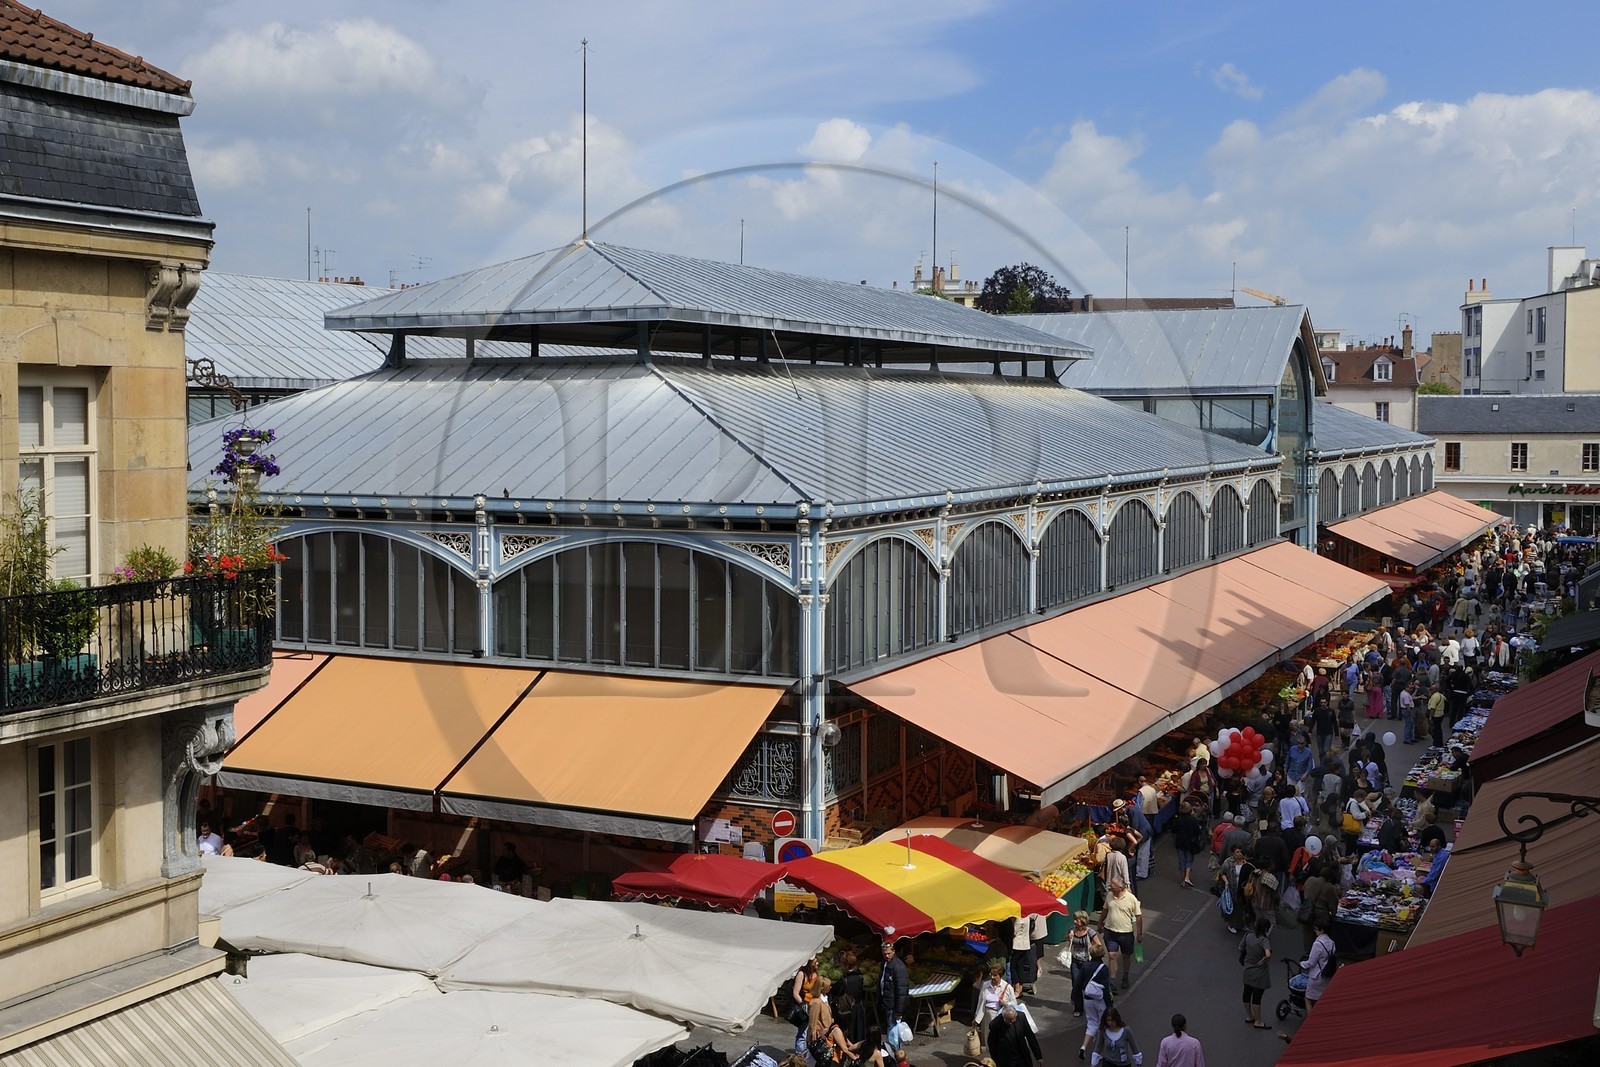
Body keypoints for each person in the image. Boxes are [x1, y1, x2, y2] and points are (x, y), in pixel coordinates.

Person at [1100, 878, 1143, 989]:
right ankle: (1113, 980)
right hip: (1110, 931)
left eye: (1113, 884)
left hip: (1126, 934)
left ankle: (1125, 976)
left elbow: (1138, 916)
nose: (1110, 886)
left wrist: (1139, 933)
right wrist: (1100, 923)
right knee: (1112, 955)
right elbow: (1105, 910)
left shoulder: (1131, 899)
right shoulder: (1110, 895)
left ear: (1121, 887)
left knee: (1126, 956)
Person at [805, 977, 860, 1064]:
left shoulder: (825, 999)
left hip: (826, 1032)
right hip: (818, 1034)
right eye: (828, 986)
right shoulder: (816, 1002)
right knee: (812, 1058)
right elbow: (813, 1021)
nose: (830, 988)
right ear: (822, 988)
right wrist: (814, 1037)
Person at [1063, 910, 1103, 1018]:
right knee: (1076, 985)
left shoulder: (1090, 932)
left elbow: (1098, 945)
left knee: (1088, 986)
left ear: (1083, 920)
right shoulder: (1072, 930)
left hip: (1087, 963)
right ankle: (1078, 1008)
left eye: (1077, 920)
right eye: (1074, 919)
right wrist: (1069, 937)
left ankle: (1092, 1007)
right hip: (1075, 961)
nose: (1075, 922)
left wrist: (1092, 949)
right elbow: (1067, 939)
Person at [1079, 942, 1114, 1060]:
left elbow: (1079, 982)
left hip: (1087, 999)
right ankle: (1099, 1052)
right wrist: (1109, 1005)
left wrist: (1076, 997)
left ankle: (1083, 1047)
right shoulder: (1103, 968)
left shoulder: (1085, 966)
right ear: (1102, 955)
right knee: (1103, 1025)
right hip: (1100, 1000)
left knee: (1091, 1023)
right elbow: (1105, 988)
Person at [972, 960, 1017, 1049]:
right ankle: (990, 1056)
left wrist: (1005, 1003)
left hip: (1000, 1016)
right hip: (987, 1015)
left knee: (999, 1040)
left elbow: (1014, 1003)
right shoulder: (985, 985)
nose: (992, 977)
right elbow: (980, 1001)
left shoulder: (1008, 987)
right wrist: (976, 1017)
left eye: (995, 975)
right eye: (991, 974)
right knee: (988, 1040)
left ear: (1000, 975)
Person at [1240, 915, 1273, 1028]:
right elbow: (1268, 954)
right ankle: (1258, 1021)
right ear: (1266, 928)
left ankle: (1249, 1016)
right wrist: (1263, 960)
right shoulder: (1264, 940)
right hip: (1260, 973)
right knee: (1257, 997)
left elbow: (1240, 948)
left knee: (1247, 992)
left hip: (1247, 970)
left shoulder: (1248, 935)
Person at [1300, 916, 1338, 1008]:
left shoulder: (1317, 944)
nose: (1315, 931)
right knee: (1320, 1000)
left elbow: (1311, 963)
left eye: (1316, 929)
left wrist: (1302, 963)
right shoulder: (1332, 943)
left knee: (1308, 998)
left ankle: (1311, 1017)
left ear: (1322, 930)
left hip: (1316, 976)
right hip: (1327, 974)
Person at [789, 955, 820, 1051]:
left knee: (812, 1033)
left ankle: (808, 1055)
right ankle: (799, 1056)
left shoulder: (816, 974)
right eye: (815, 962)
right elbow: (795, 993)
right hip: (805, 1005)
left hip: (815, 1005)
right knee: (802, 1034)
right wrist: (803, 1005)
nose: (817, 963)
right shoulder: (802, 974)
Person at [878, 939, 909, 1033]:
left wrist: (899, 1011)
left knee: (893, 1031)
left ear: (893, 952)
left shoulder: (898, 967)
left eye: (889, 953)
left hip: (893, 1005)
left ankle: (894, 1043)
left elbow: (902, 991)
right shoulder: (884, 963)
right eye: (885, 954)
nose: (887, 956)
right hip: (887, 1002)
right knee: (891, 1029)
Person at [1171, 801, 1204, 888]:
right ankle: (1187, 877)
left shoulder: (1178, 819)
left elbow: (1173, 830)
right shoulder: (1193, 820)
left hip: (1180, 842)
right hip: (1191, 842)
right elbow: (1198, 832)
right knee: (1189, 860)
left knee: (1182, 860)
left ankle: (1183, 878)